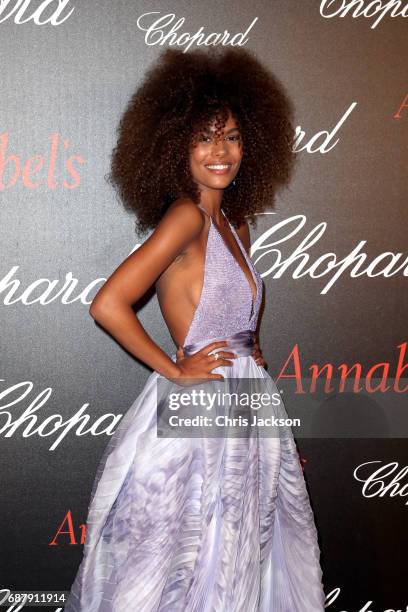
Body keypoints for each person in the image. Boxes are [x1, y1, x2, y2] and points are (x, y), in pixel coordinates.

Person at [65, 47, 326, 611]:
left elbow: (236, 318)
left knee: (236, 554)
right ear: (175, 146)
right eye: (205, 137)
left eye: (231, 136)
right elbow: (108, 303)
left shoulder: (236, 224)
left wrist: (247, 349)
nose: (220, 152)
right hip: (200, 408)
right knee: (178, 559)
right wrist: (176, 368)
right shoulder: (185, 216)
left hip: (247, 407)